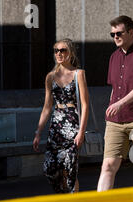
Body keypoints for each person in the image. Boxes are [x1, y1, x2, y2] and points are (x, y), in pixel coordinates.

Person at [33, 38, 90, 193]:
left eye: (62, 50)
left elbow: (85, 104)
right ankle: (61, 195)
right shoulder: (50, 77)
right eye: (56, 50)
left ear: (70, 52)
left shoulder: (79, 74)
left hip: (73, 124)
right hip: (56, 126)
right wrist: (38, 132)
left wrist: (81, 132)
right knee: (49, 169)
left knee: (70, 168)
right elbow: (47, 107)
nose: (59, 53)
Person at [97, 15, 133, 191]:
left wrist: (120, 104)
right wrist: (112, 107)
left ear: (131, 31)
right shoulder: (113, 57)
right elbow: (114, 89)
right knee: (108, 165)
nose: (115, 37)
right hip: (115, 122)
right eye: (112, 34)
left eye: (119, 33)